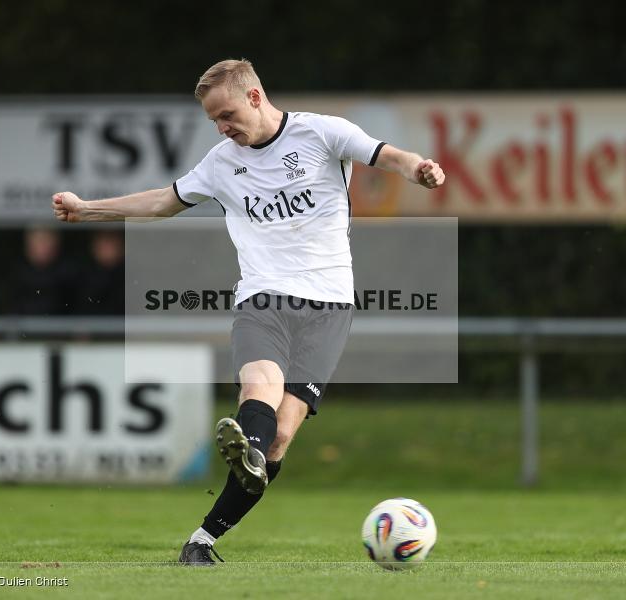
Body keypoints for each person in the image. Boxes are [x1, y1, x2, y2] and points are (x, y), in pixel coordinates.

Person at [52, 58, 445, 566]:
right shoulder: (221, 163)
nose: (222, 127)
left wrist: (418, 169)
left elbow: (387, 155)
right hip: (263, 298)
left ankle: (205, 533)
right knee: (259, 387)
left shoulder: (321, 133)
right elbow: (163, 202)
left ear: (255, 97)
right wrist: (87, 209)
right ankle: (242, 463)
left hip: (330, 305)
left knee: (280, 436)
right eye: (214, 120)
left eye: (227, 115)